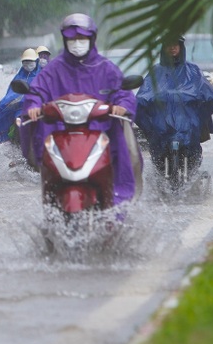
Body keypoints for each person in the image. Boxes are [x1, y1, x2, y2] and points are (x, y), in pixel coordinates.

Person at [21, 13, 141, 205]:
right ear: (65, 40)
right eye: (72, 39)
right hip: (61, 134)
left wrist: (122, 106)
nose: (77, 43)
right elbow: (37, 91)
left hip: (102, 132)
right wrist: (34, 106)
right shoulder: (53, 69)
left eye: (82, 39)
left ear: (91, 39)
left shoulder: (106, 68)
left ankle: (119, 201)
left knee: (125, 146)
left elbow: (122, 92)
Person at [135, 36, 213, 174]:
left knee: (192, 151)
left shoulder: (192, 70)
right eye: (169, 44)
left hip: (187, 124)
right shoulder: (156, 72)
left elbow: (210, 95)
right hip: (162, 126)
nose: (172, 47)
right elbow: (143, 97)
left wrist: (198, 112)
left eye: (176, 44)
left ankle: (192, 171)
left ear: (181, 47)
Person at [0, 48, 40, 144]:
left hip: (38, 107)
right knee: (3, 107)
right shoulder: (19, 76)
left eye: (30, 62)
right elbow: (11, 93)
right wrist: (9, 101)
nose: (28, 64)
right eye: (25, 62)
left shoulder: (42, 75)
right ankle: (8, 136)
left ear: (36, 61)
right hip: (21, 109)